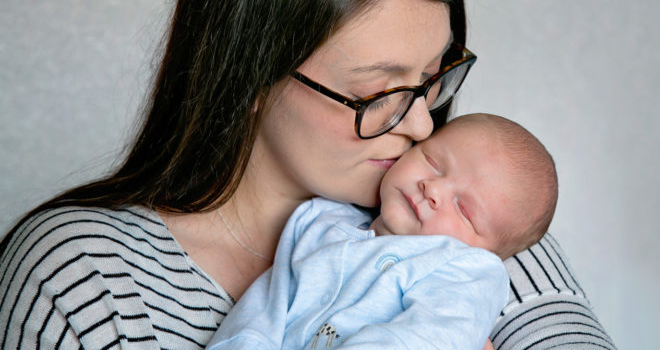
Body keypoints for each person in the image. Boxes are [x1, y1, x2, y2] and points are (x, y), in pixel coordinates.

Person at [0, 0, 616, 349]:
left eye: (432, 79)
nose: (423, 125)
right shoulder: (88, 274)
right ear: (249, 73)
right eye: (380, 91)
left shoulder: (469, 222)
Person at [207, 113, 558, 350]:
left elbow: (425, 339)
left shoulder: (467, 272)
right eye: (433, 162)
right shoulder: (321, 221)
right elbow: (266, 306)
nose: (432, 189)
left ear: (487, 252)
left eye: (464, 209)